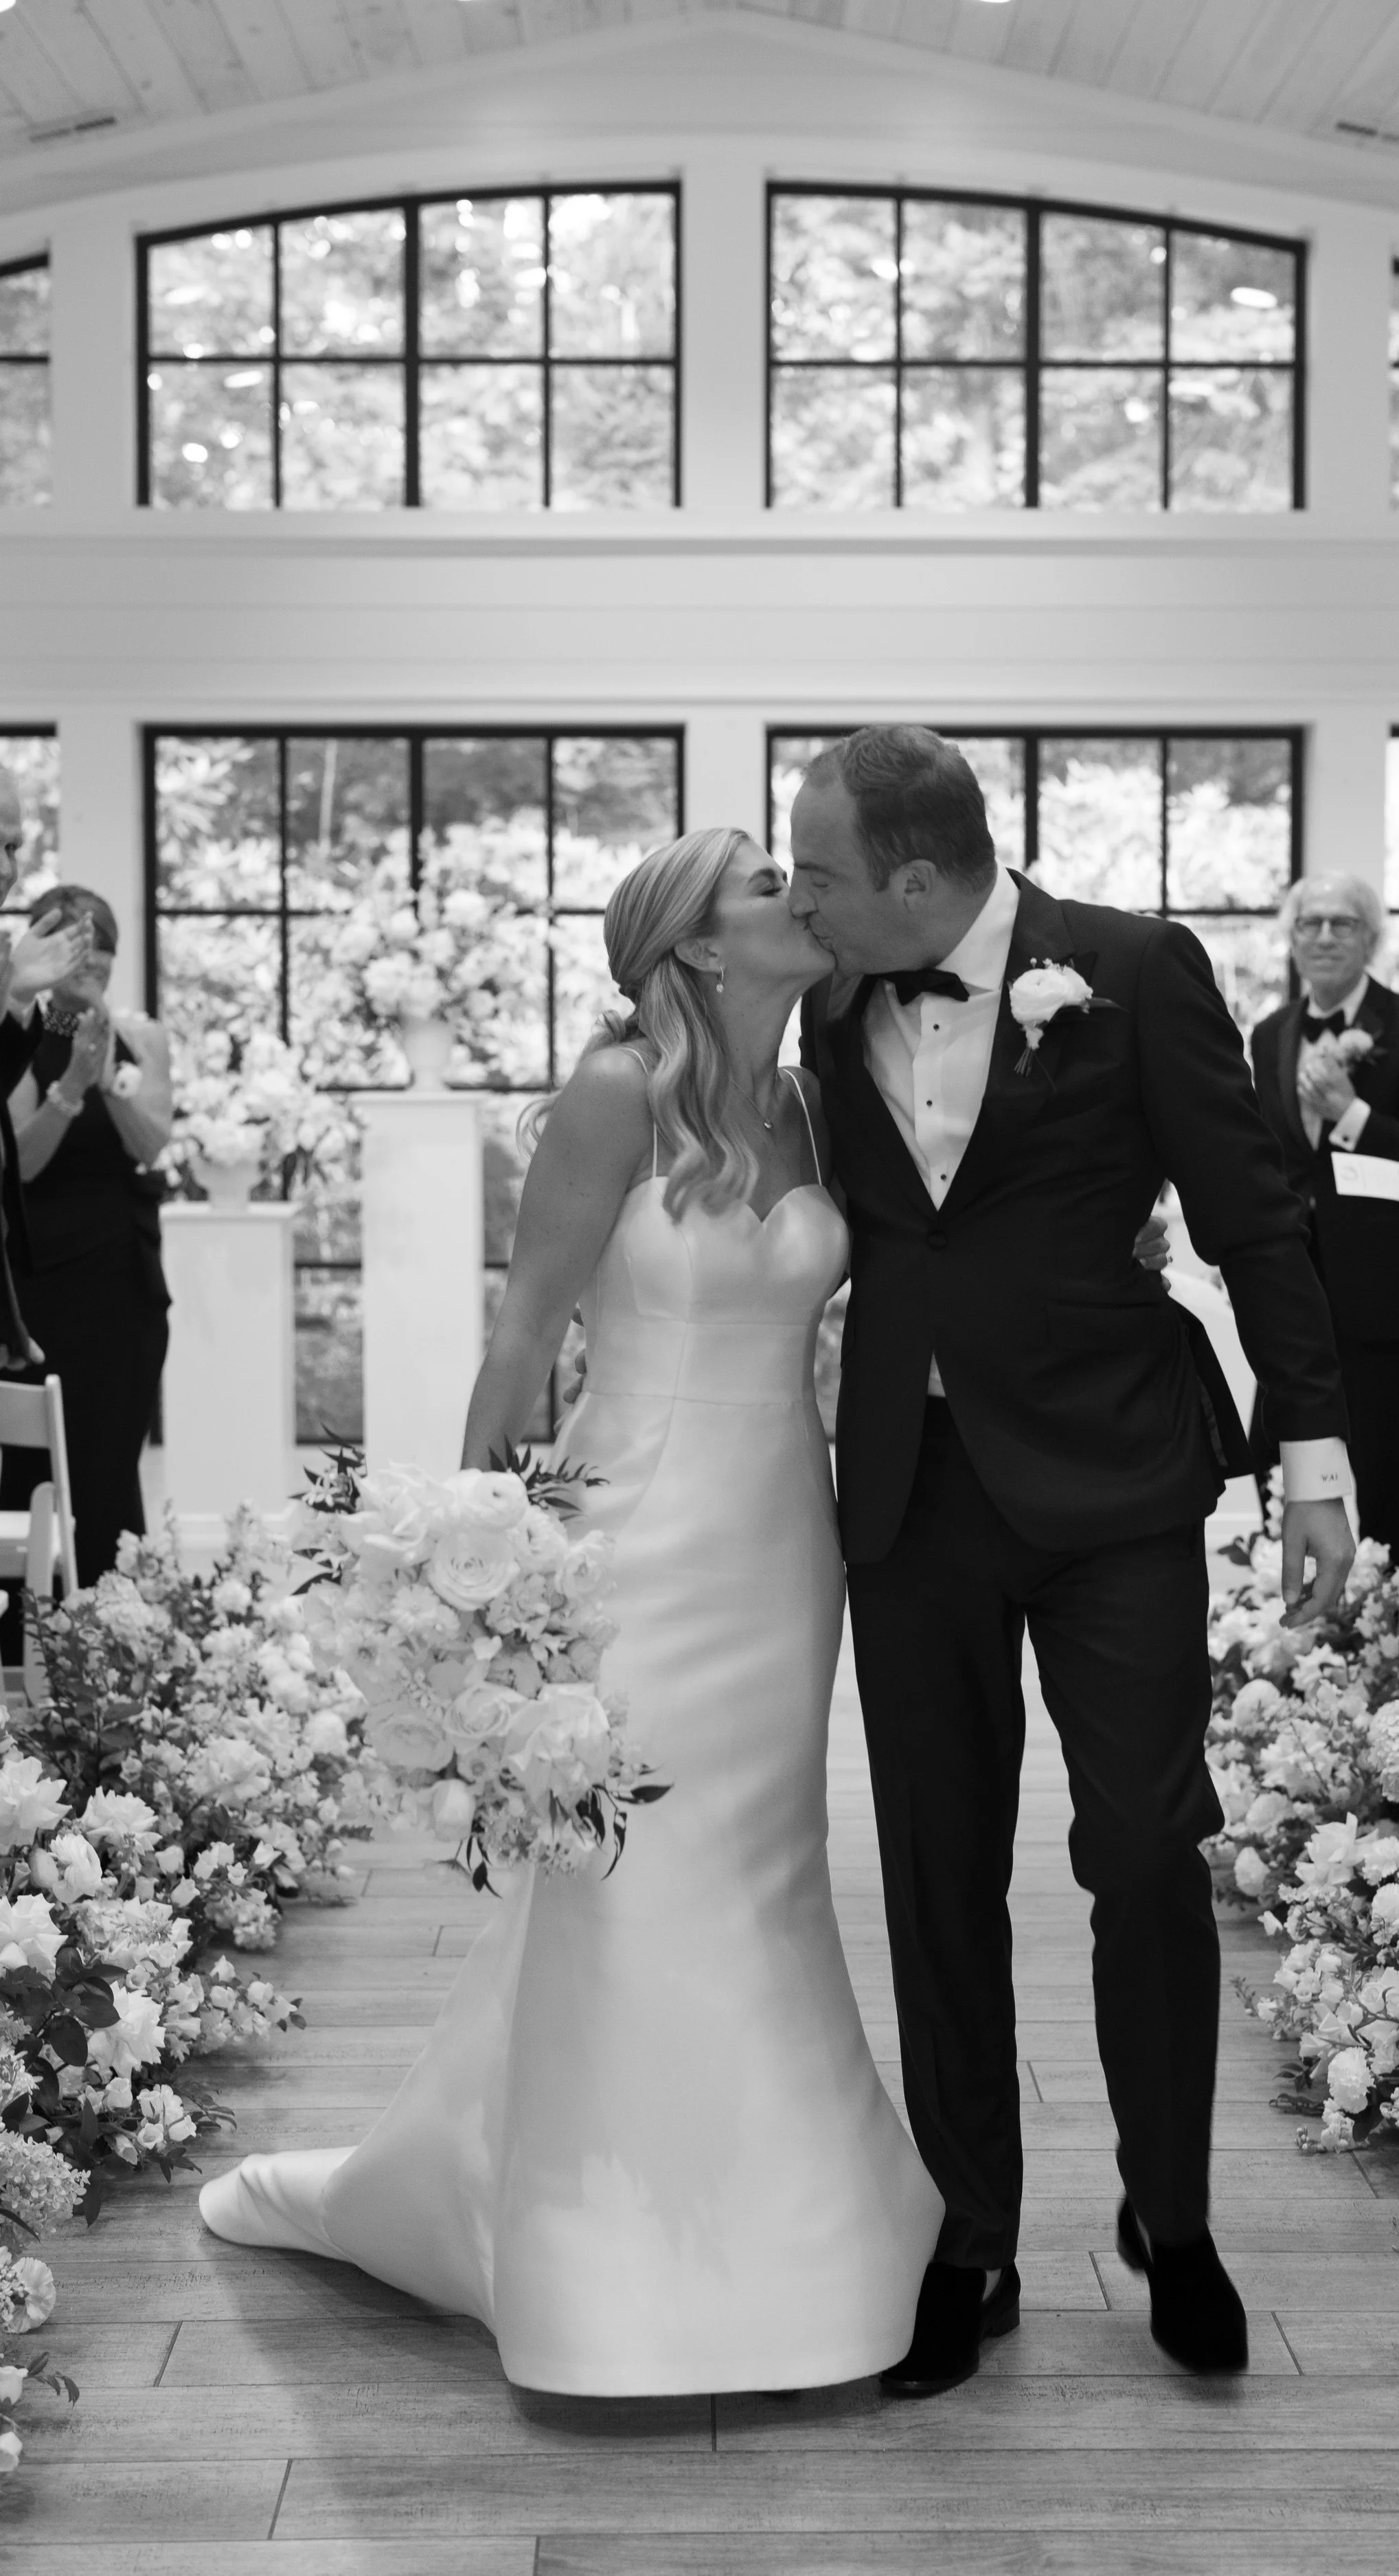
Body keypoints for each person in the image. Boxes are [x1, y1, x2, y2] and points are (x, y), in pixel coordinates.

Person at [201, 826, 943, 2395]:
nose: (797, 895)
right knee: (625, 1873)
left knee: (766, 1868)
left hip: (780, 1544)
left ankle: (790, 2238)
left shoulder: (815, 1096)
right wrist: (482, 1556)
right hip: (635, 1534)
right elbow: (525, 1325)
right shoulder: (617, 1091)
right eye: (762, 884)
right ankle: (593, 2253)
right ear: (693, 946)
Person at [791, 727, 1354, 2393]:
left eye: (821, 872)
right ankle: (970, 2242)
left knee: (1143, 1848)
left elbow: (1254, 1216)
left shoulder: (1129, 967)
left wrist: (1313, 1453)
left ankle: (1171, 2221)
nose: (801, 899)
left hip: (1117, 1480)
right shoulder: (832, 999)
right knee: (936, 1867)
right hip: (913, 1492)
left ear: (915, 875)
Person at [1249, 874, 1399, 1563]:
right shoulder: (1269, 1034)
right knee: (1276, 1468)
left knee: (1376, 1479)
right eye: (1308, 923)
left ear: (1370, 937)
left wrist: (1351, 1114)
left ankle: (1378, 1638)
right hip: (1288, 1289)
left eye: (1341, 924)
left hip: (1380, 1292)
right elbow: (1265, 1157)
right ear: (1290, 938)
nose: (1322, 936)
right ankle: (1277, 1632)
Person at [0, 888, 173, 1589]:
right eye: (80, 969)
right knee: (34, 1465)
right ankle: (24, 1653)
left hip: (121, 1280)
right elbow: (23, 1160)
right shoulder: (15, 1042)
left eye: (103, 969)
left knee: (109, 1464)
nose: (91, 984)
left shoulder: (144, 1036)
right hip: (39, 1280)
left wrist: (107, 1079)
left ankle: (113, 1641)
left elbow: (151, 1144)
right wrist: (69, 1085)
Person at [0, 771, 96, 1374]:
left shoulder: (123, 1029)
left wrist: (15, 998)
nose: (10, 869)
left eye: (13, 849)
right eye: (4, 846)